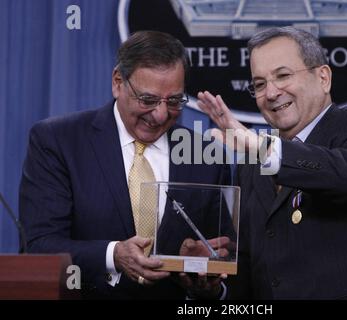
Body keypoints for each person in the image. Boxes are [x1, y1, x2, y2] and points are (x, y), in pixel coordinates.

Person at [19, 31, 233, 299]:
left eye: (174, 101)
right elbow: (39, 246)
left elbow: (222, 257)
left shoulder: (204, 154)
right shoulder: (59, 141)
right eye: (148, 100)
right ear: (118, 82)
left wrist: (206, 281)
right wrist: (113, 254)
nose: (160, 114)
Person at [197, 27, 347, 299]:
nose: (271, 93)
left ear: (323, 78)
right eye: (259, 84)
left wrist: (263, 148)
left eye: (283, 76)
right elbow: (250, 268)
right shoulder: (253, 164)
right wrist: (214, 289)